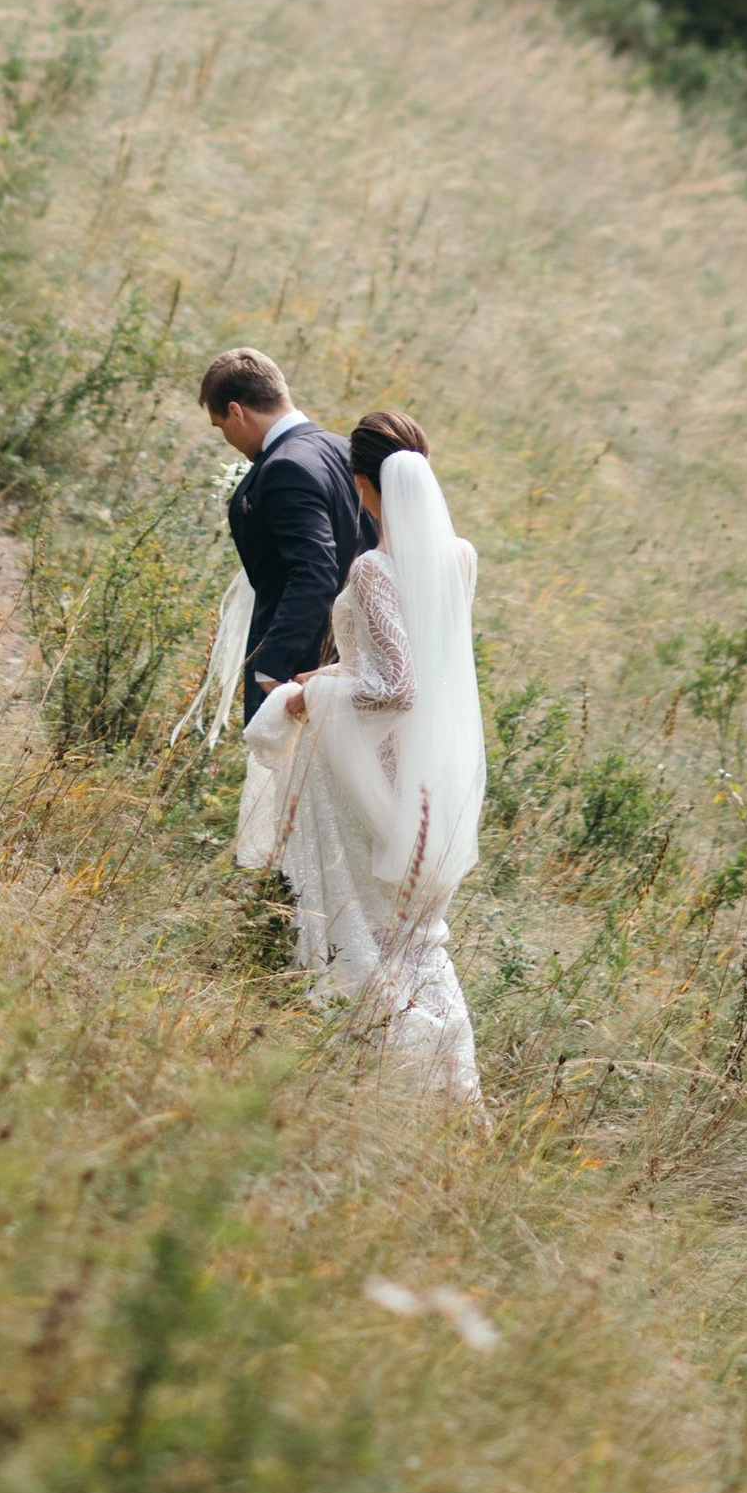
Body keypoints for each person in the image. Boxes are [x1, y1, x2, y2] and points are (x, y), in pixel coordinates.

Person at [237, 409, 486, 1107]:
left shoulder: (376, 568)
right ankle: (451, 1091)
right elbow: (423, 676)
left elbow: (394, 688)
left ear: (360, 481)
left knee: (372, 936)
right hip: (430, 776)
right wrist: (334, 677)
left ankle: (392, 1085)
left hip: (372, 773)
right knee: (417, 940)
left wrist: (307, 699)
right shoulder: (458, 557)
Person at [197, 345, 363, 725]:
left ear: (236, 411)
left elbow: (315, 570)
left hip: (305, 668)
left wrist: (273, 664)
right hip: (357, 660)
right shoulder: (346, 450)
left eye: (221, 426)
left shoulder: (285, 466)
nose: (228, 438)